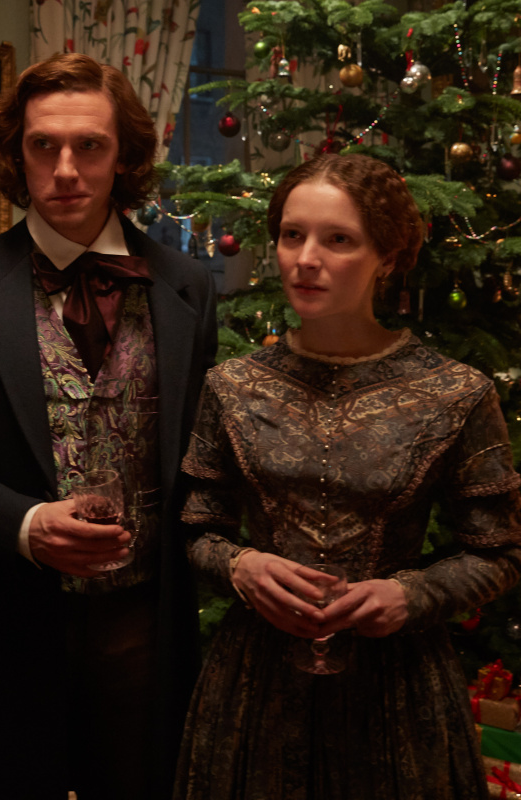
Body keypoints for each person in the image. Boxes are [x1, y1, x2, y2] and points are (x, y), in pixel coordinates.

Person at [0, 53, 218, 798]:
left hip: (146, 631)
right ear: (17, 154)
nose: (66, 169)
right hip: (11, 624)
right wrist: (26, 524)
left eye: (89, 146)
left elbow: (203, 463)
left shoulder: (188, 287)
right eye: (44, 146)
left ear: (123, 155)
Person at [173, 153, 521, 799]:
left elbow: (499, 552)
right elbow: (197, 527)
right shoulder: (232, 386)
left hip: (398, 693)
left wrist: (412, 594)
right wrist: (242, 566)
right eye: (292, 235)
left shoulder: (456, 393)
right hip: (256, 685)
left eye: (338, 240)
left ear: (387, 257)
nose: (306, 259)